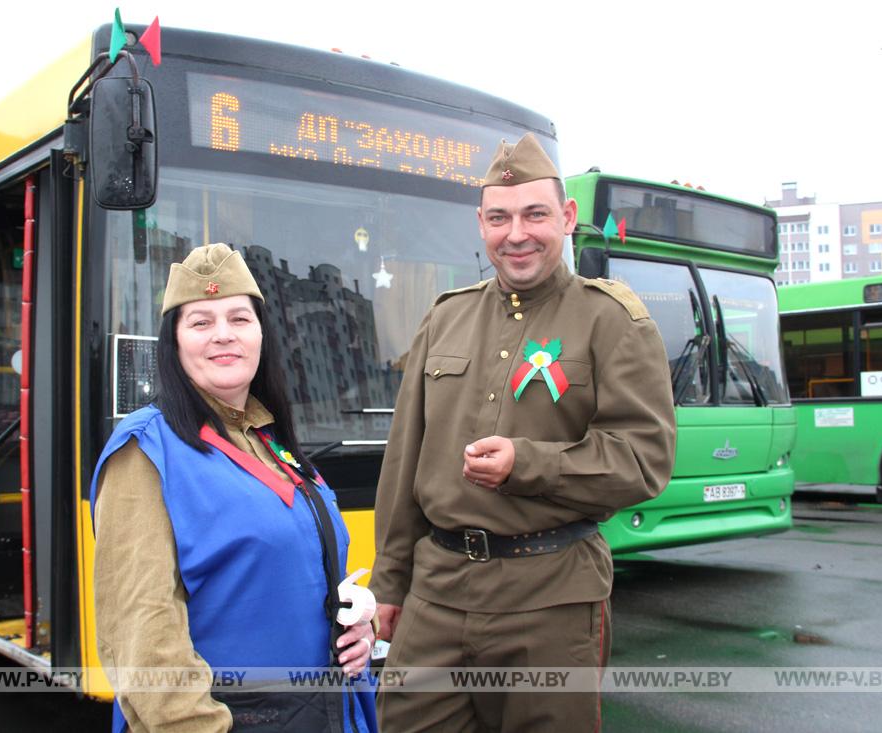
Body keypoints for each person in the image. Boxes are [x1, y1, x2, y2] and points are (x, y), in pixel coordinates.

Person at [369, 134, 677, 732]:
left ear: (566, 218)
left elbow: (645, 461)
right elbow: (403, 462)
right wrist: (390, 582)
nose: (517, 234)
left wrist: (528, 464)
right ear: (479, 224)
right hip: (437, 592)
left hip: (551, 597)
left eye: (535, 214)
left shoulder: (611, 319)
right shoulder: (445, 315)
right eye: (499, 217)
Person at [91, 243, 377, 733]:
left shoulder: (271, 439)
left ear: (262, 334)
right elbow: (144, 632)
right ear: (175, 342)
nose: (223, 335)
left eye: (239, 319)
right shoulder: (146, 450)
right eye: (201, 322)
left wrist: (355, 624)